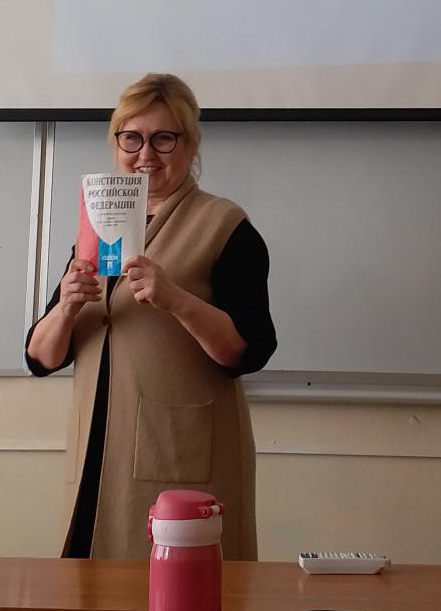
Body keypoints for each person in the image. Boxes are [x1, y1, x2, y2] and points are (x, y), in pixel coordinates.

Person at [26, 73, 276, 560]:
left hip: (178, 454)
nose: (146, 154)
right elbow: (39, 358)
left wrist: (176, 299)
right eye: (131, 138)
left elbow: (248, 351)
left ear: (190, 144)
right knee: (90, 593)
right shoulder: (98, 226)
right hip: (97, 453)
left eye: (164, 138)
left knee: (182, 588)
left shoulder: (225, 226)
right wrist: (67, 306)